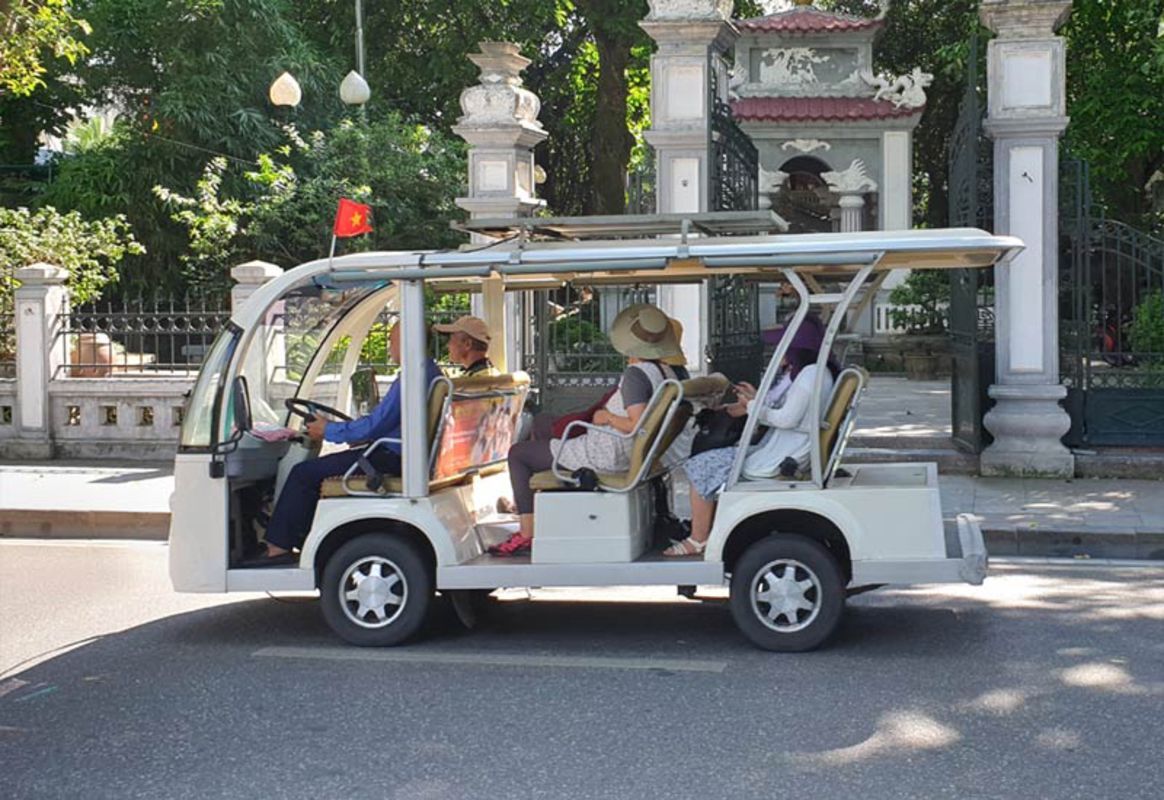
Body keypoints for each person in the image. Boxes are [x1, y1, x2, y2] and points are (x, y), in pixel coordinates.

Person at [495, 304, 685, 556]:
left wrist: (605, 417)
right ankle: (542, 514)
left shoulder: (635, 374)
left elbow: (635, 424)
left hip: (606, 453)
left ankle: (527, 531)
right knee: (543, 436)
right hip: (623, 450)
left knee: (519, 454)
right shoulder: (665, 371)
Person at [259, 324, 442, 563]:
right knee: (317, 471)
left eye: (392, 341)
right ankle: (304, 539)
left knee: (303, 474)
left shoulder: (411, 377)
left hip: (389, 455)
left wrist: (329, 429)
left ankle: (278, 547)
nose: (390, 348)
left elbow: (376, 424)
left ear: (408, 341)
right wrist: (341, 430)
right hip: (397, 451)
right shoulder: (430, 371)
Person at [664, 314, 839, 557]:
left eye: (782, 346)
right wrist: (756, 400)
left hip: (780, 454)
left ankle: (698, 539)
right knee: (711, 462)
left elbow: (785, 419)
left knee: (698, 467)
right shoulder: (814, 373)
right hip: (783, 447)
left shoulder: (809, 376)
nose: (778, 351)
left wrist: (753, 405)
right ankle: (706, 530)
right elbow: (788, 411)